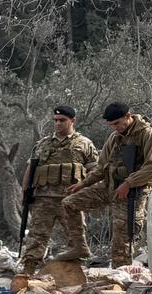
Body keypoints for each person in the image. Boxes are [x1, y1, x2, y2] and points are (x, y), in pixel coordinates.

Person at [63, 102, 152, 267]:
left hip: (132, 193)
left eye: (117, 123)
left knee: (121, 241)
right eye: (111, 125)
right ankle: (79, 248)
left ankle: (122, 280)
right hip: (109, 187)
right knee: (69, 203)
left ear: (128, 116)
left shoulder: (147, 134)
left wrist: (129, 183)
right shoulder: (115, 137)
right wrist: (84, 183)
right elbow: (101, 167)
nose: (115, 128)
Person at [19, 105, 98, 275]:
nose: (58, 124)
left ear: (72, 121)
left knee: (75, 236)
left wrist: (89, 194)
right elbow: (30, 169)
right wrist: (24, 191)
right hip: (43, 198)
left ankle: (75, 274)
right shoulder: (42, 144)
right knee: (36, 236)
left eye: (62, 120)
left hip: (71, 200)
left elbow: (94, 171)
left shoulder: (84, 144)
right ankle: (28, 271)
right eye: (55, 120)